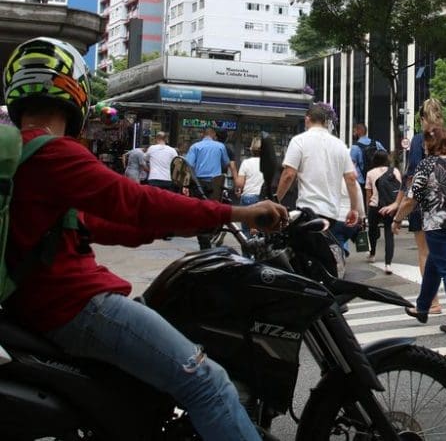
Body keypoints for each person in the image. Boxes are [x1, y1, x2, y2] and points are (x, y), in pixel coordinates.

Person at [2, 37, 288, 441]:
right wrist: (236, 212)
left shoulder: (17, 157)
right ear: (74, 92)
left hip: (36, 305)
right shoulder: (56, 154)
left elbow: (102, 224)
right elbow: (136, 201)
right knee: (207, 383)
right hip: (76, 306)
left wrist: (180, 224)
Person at [394, 125, 446, 334]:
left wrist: (396, 219)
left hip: (437, 224)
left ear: (432, 144)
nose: (423, 146)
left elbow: (410, 200)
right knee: (435, 263)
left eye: (425, 142)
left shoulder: (427, 165)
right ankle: (422, 307)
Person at [276, 104, 361, 277]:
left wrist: (275, 200)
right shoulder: (340, 145)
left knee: (300, 262)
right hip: (331, 214)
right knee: (321, 260)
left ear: (307, 119)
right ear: (325, 122)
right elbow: (351, 179)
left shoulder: (299, 141)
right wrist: (354, 209)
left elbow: (288, 174)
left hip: (307, 212)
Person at [364, 148, 401, 274]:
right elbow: (400, 190)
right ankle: (388, 264)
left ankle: (372, 254)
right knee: (389, 234)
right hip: (390, 206)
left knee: (372, 231)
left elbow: (368, 194)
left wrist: (367, 209)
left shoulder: (370, 173)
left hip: (375, 206)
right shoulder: (395, 171)